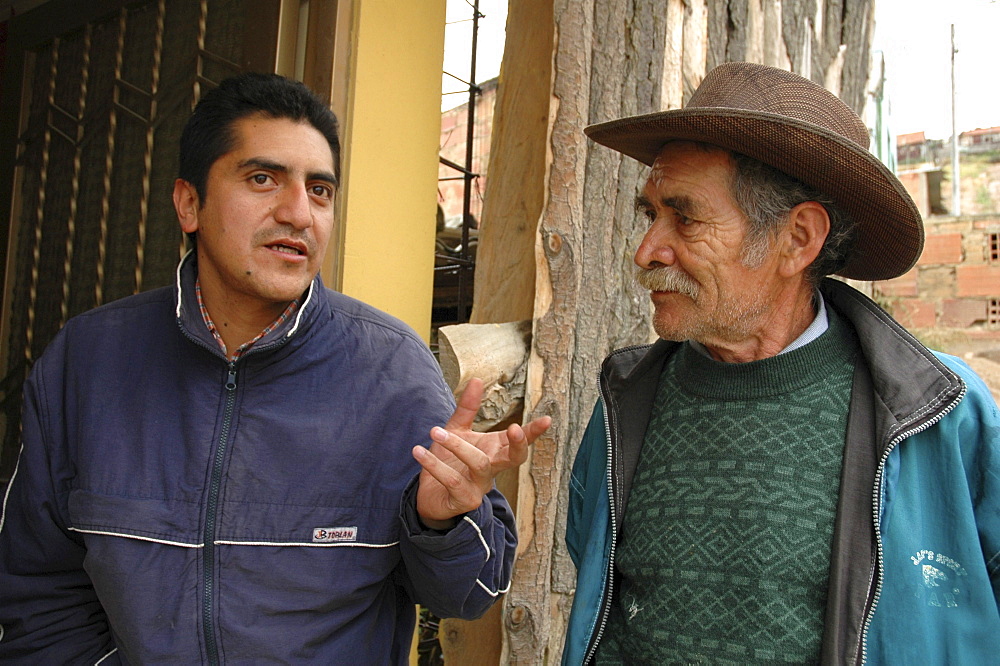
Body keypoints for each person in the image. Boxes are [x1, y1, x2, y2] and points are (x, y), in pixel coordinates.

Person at [0, 72, 549, 664]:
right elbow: (37, 592)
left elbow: (471, 594)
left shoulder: (390, 371)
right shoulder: (88, 362)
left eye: (320, 191)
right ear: (189, 203)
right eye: (262, 179)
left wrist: (444, 523)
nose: (298, 213)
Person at [563, 62, 1000, 665]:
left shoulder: (937, 414)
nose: (647, 251)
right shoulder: (627, 403)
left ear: (798, 239)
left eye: (685, 217)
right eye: (650, 215)